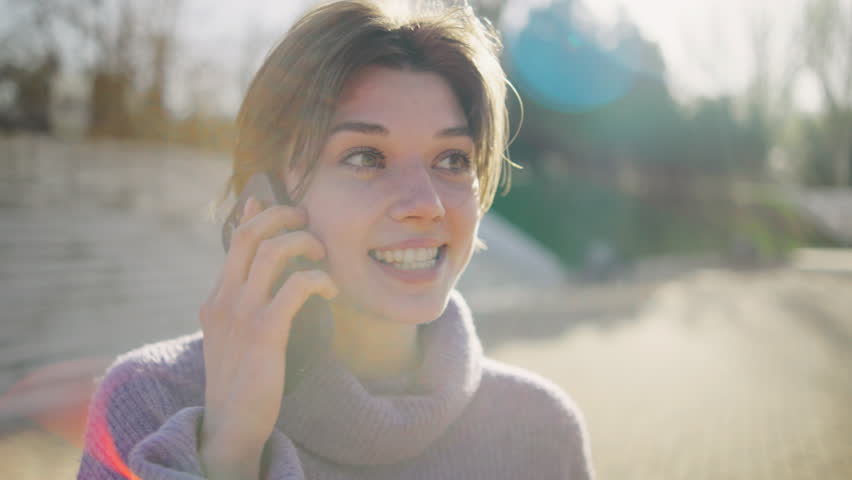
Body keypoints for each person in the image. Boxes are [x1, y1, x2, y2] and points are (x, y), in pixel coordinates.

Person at [76, 1, 594, 478]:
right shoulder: (147, 402)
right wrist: (228, 447)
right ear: (265, 194)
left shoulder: (539, 430)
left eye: (453, 160)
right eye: (366, 157)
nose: (427, 204)